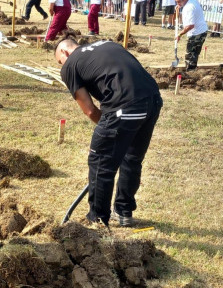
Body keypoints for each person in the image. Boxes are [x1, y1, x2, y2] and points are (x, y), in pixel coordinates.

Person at [54, 38, 162, 227]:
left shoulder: (70, 64)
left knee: (101, 161)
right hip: (153, 100)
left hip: (125, 105)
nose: (61, 65)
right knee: (131, 157)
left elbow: (89, 110)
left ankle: (97, 220)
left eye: (59, 61)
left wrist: (108, 133)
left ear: (65, 52)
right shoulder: (107, 44)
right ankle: (123, 211)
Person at [174, 0, 208, 70]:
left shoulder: (189, 8)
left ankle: (190, 71)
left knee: (190, 54)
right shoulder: (191, 0)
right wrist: (179, 6)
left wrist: (180, 34)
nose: (177, 4)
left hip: (197, 33)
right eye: (176, 2)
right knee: (194, 53)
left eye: (179, 2)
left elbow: (190, 26)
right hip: (201, 30)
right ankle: (192, 68)